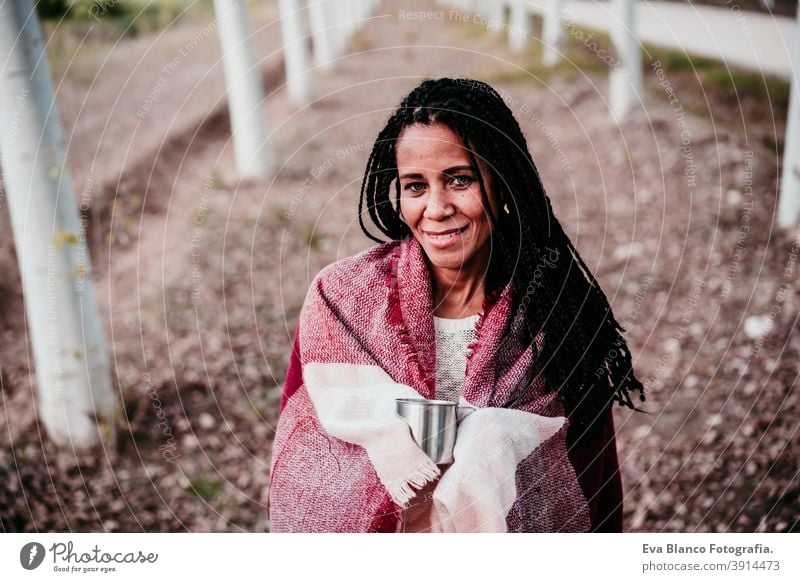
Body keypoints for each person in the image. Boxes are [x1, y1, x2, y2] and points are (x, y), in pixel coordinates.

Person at [267, 78, 645, 533]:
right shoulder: (341, 301)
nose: (437, 207)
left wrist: (490, 443)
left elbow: (589, 479)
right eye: (415, 186)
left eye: (459, 179)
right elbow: (309, 463)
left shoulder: (554, 316)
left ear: (502, 185)